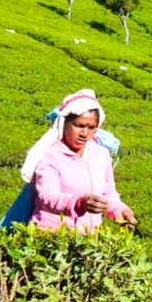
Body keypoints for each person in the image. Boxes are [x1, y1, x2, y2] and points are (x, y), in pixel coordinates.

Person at [21, 89, 136, 233]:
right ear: (65, 123)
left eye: (91, 127)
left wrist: (120, 210)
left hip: (88, 238)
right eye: (79, 125)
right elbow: (47, 196)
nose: (84, 134)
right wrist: (79, 203)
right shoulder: (51, 156)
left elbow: (107, 191)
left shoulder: (101, 154)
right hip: (53, 236)